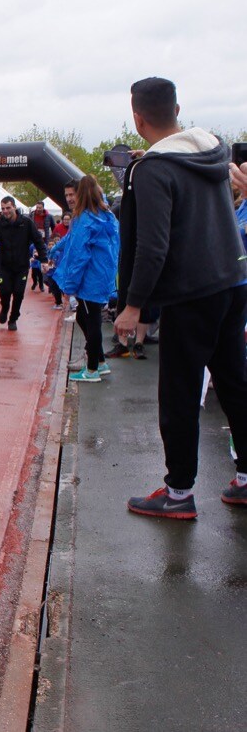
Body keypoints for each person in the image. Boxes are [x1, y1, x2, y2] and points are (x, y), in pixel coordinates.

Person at [109, 77, 247, 519]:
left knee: (180, 394)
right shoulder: (214, 150)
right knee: (234, 384)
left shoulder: (152, 170)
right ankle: (246, 479)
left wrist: (133, 306)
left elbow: (152, 246)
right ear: (178, 108)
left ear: (137, 118)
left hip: (191, 292)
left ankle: (179, 492)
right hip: (233, 279)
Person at [53, 175, 119, 384]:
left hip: (91, 278)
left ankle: (92, 369)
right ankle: (98, 361)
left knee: (91, 320)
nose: (70, 198)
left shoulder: (85, 219)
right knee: (86, 317)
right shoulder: (106, 216)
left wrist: (70, 286)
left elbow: (79, 254)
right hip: (102, 275)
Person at [0, 196, 46, 331]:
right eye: (3, 209)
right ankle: (4, 307)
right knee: (5, 291)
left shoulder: (26, 222)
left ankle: (13, 318)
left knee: (18, 293)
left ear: (14, 207)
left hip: (21, 266)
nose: (5, 211)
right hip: (5, 265)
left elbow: (38, 241)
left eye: (8, 208)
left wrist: (44, 260)